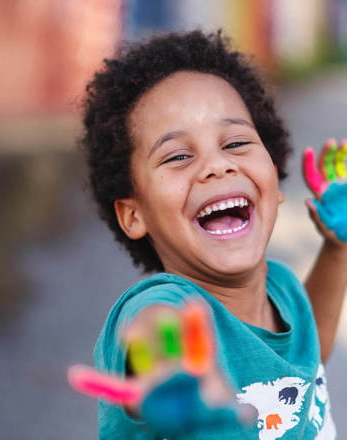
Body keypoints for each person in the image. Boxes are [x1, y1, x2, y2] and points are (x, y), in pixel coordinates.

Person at [72, 29, 347, 439]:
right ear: (133, 214)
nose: (217, 166)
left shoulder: (284, 287)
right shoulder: (165, 302)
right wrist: (173, 375)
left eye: (236, 142)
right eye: (179, 155)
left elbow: (309, 357)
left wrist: (337, 248)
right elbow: (154, 326)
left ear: (273, 171)